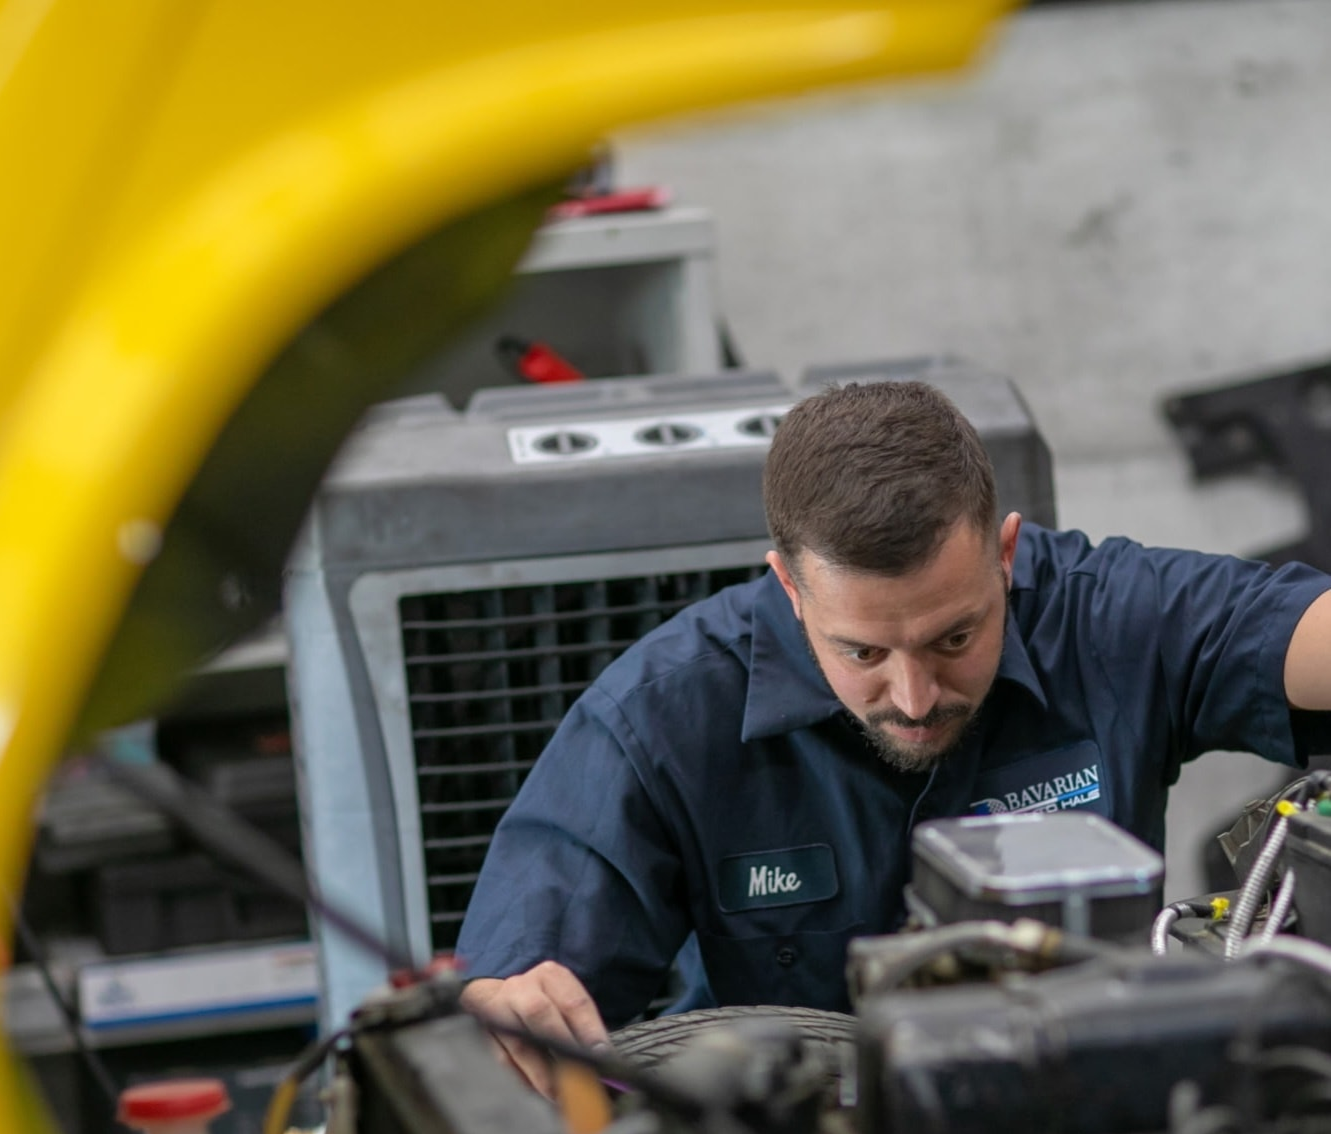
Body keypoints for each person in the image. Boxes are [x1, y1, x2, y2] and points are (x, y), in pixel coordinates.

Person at [456, 380, 1331, 1093]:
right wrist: (517, 1003)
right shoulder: (661, 715)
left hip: (1099, 1129)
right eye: (862, 651)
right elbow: (519, 982)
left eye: (954, 637)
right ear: (790, 590)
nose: (914, 697)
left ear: (1005, 555)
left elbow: (1299, 634)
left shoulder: (1106, 620)